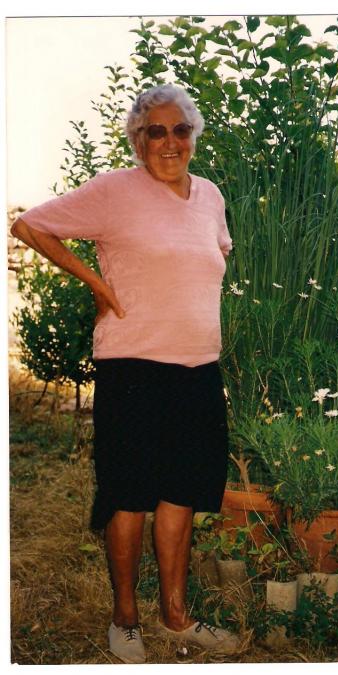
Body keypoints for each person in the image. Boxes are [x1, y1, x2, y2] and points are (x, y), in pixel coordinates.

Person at [11, 83, 239, 664]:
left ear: (193, 136)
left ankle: (176, 615)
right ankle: (126, 618)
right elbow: (31, 225)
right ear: (138, 140)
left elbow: (211, 258)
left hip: (199, 367)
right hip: (133, 366)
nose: (170, 142)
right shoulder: (115, 190)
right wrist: (98, 283)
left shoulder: (210, 196)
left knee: (181, 494)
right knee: (129, 496)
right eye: (156, 131)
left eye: (180, 129)